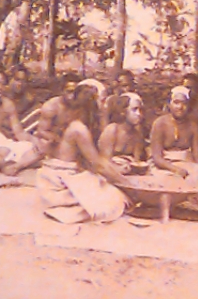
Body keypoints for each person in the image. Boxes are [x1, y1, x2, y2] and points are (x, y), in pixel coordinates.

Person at [36, 83, 130, 224]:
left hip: (63, 175)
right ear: (92, 105)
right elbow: (97, 165)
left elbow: (95, 160)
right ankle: (64, 210)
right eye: (102, 101)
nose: (104, 106)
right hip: (57, 182)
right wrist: (126, 183)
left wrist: (116, 172)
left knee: (108, 185)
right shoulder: (79, 129)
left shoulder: (78, 123)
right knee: (116, 198)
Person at [150, 86, 198, 178]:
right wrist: (175, 169)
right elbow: (157, 157)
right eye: (176, 103)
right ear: (169, 104)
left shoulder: (193, 126)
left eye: (184, 103)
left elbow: (197, 156)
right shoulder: (160, 124)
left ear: (189, 106)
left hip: (186, 163)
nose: (180, 107)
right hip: (164, 166)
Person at [98, 93, 146, 173]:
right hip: (109, 172)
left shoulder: (137, 134)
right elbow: (104, 162)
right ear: (123, 112)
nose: (139, 114)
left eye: (140, 110)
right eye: (134, 110)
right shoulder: (112, 130)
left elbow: (136, 161)